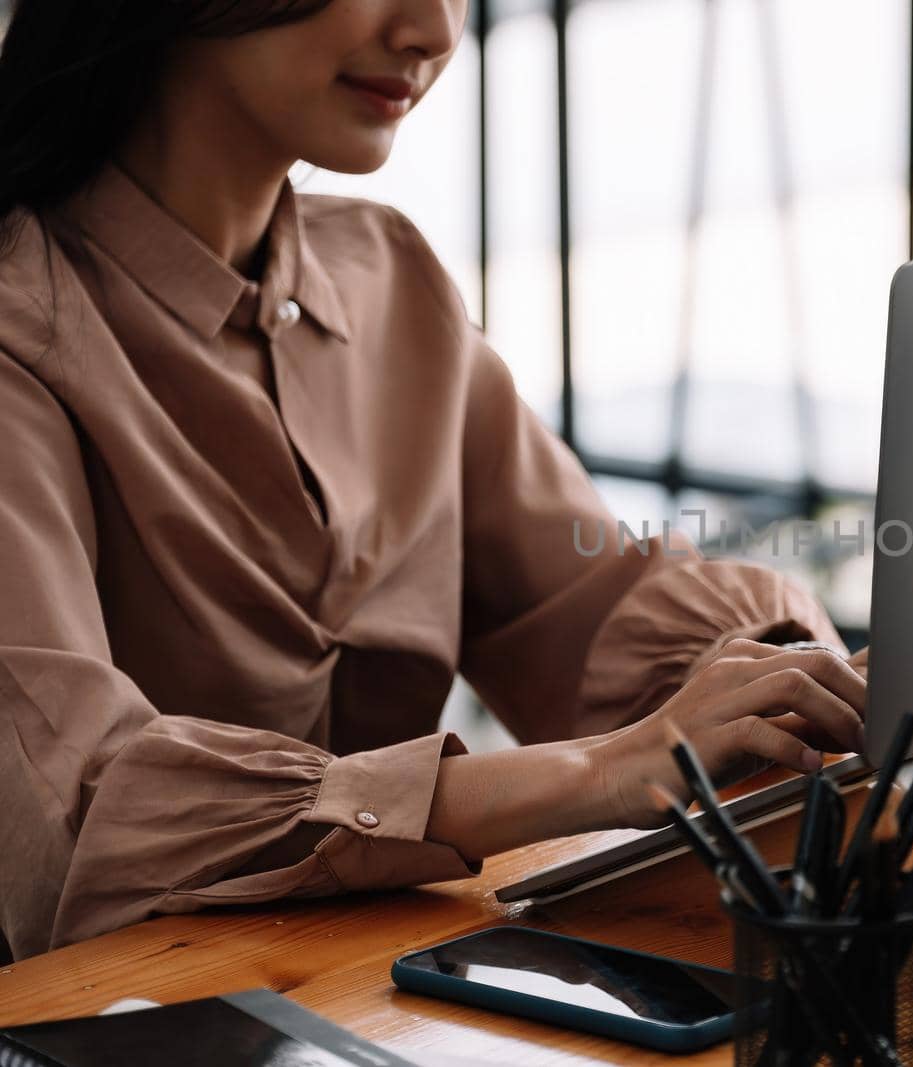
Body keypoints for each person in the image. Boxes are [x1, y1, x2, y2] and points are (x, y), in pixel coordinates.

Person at [0, 0, 867, 963]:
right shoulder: (20, 331)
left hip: (374, 1001)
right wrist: (601, 771)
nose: (436, 31)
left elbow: (591, 607)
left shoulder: (388, 278)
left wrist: (791, 682)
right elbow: (79, 806)